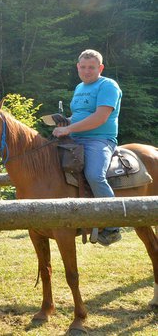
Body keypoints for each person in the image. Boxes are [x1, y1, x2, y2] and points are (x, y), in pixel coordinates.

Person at [52, 49, 123, 246]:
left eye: (91, 67)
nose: (86, 71)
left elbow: (100, 118)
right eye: (83, 67)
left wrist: (69, 129)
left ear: (100, 68)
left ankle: (113, 226)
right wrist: (65, 121)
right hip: (74, 139)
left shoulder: (108, 85)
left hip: (99, 140)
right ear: (77, 67)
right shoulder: (79, 87)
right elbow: (80, 115)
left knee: (94, 175)